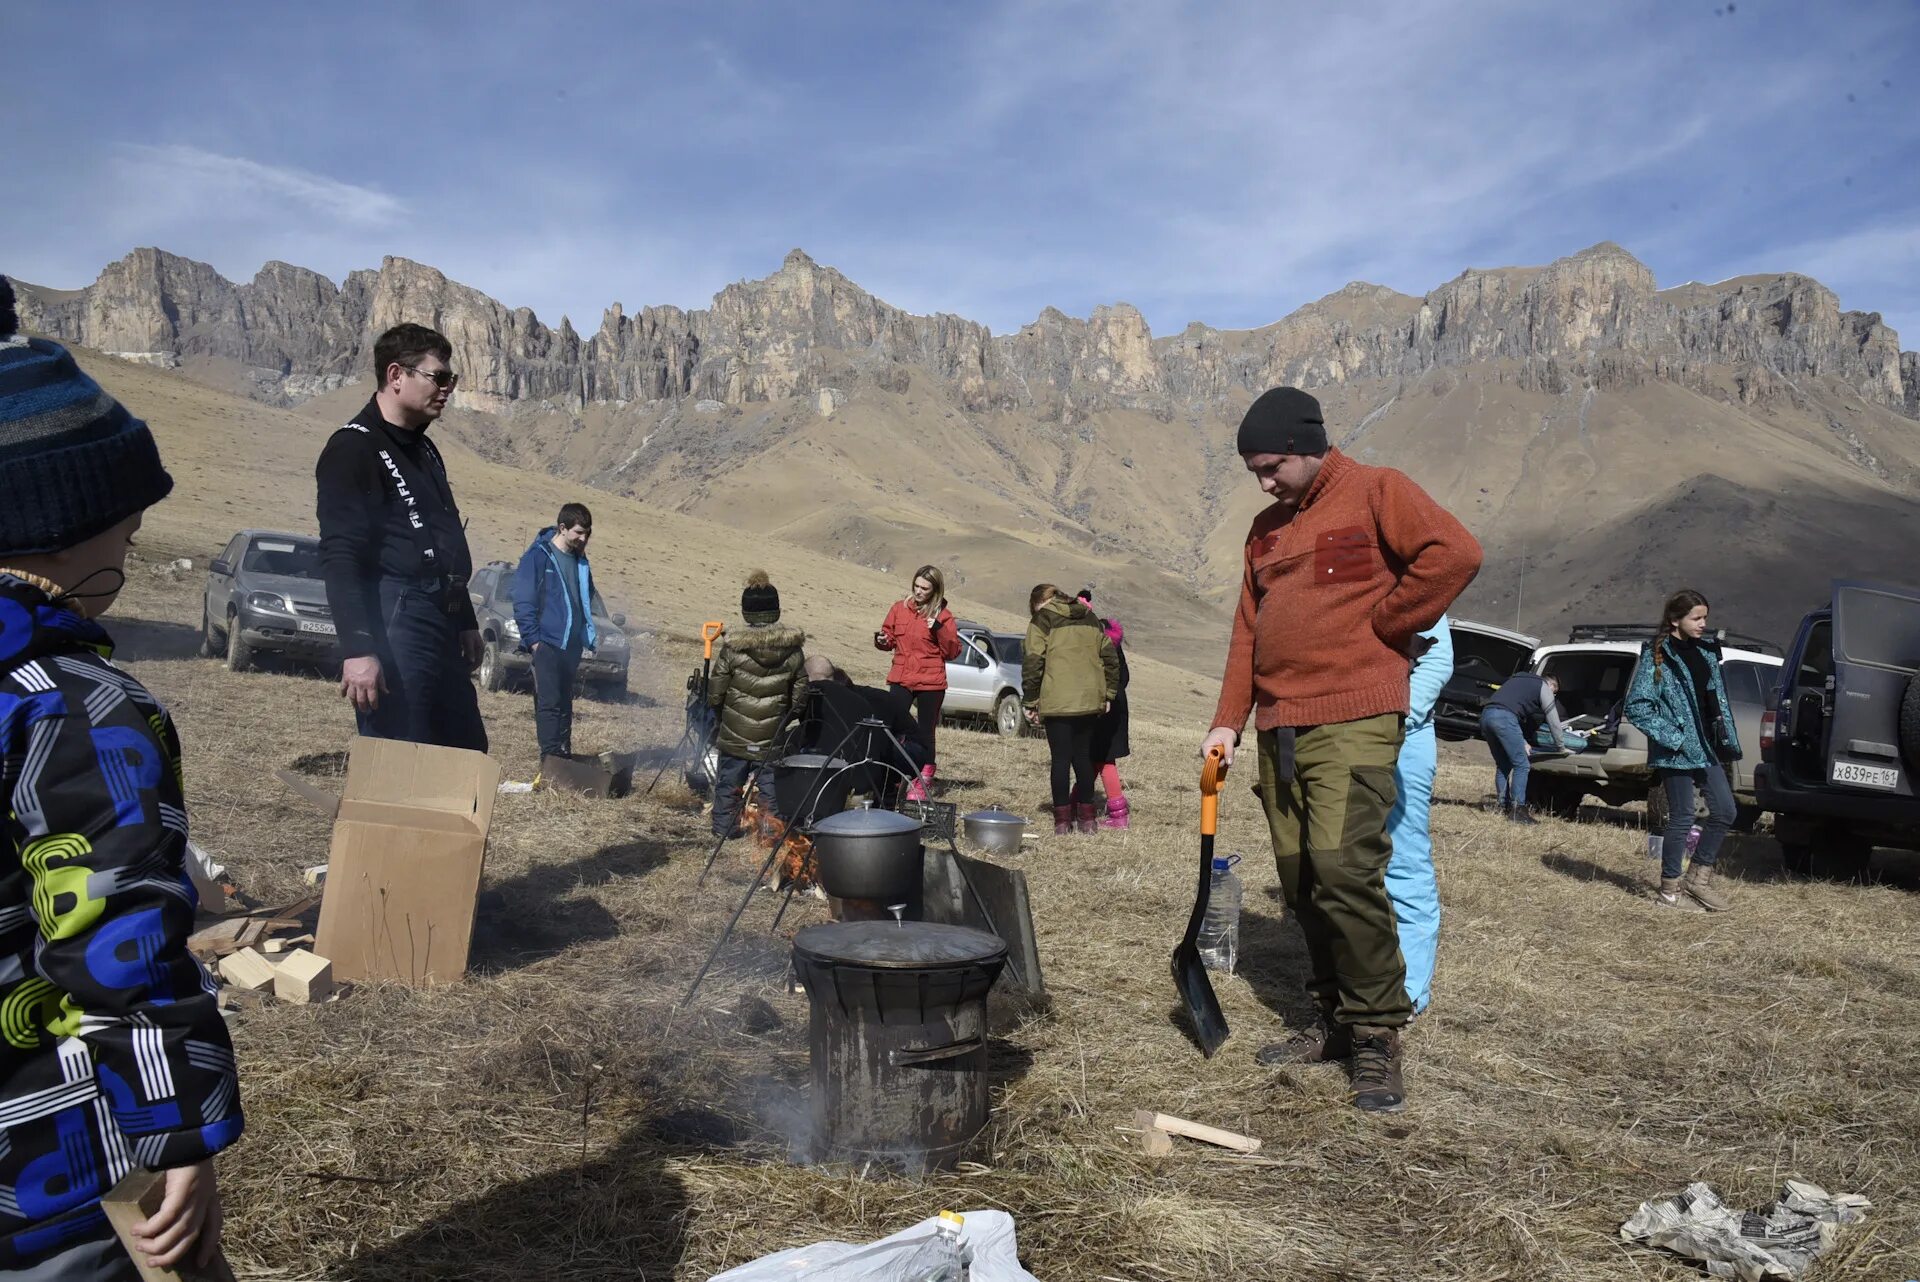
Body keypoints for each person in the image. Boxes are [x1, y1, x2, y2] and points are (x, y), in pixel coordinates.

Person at [0, 288, 243, 1278]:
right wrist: (182, 1132)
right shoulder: (76, 704)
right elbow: (123, 942)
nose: (132, 555)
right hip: (41, 1165)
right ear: (60, 525)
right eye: (126, 536)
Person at [1201, 386, 1481, 1113]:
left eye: (1270, 467)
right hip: (1279, 725)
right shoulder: (1264, 531)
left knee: (1342, 868)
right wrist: (1228, 721)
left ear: (1303, 446)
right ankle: (1331, 1018)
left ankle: (1378, 1034)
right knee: (1300, 880)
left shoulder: (1377, 491)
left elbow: (1456, 553)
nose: (1263, 483)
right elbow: (1246, 631)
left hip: (1353, 718)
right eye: (1253, 471)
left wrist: (1388, 625)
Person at [315, 323, 486, 751]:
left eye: (452, 380)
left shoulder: (425, 450)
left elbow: (439, 543)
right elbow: (341, 556)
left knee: (464, 753)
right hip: (395, 619)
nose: (447, 389)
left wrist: (464, 620)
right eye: (438, 378)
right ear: (396, 376)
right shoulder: (353, 449)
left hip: (440, 618)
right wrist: (357, 649)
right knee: (400, 758)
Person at [1625, 589, 1740, 912]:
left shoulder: (1705, 653)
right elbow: (1638, 706)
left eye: (1705, 617)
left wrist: (1724, 737)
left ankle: (1698, 881)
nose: (1704, 624)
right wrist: (1672, 737)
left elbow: (1714, 702)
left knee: (1726, 811)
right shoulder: (1658, 655)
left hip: (1706, 746)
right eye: (1697, 617)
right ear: (1675, 619)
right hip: (1676, 750)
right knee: (1683, 816)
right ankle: (1669, 892)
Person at [708, 571, 808, 840]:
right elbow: (800, 697)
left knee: (729, 782)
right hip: (772, 736)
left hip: (734, 733)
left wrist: (724, 717)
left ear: (745, 613)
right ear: (776, 611)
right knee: (770, 787)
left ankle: (724, 828)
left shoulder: (732, 649)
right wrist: (785, 720)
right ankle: (769, 832)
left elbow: (715, 692)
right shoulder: (793, 650)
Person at [1385, 618, 1452, 1017]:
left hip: (1402, 736)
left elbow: (1438, 658)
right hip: (1341, 738)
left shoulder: (1408, 568)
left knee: (1403, 859)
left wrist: (1392, 720)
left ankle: (1408, 991)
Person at [1022, 584, 1120, 835]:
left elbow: (1034, 660)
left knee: (1061, 759)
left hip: (1058, 700)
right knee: (1083, 757)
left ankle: (1062, 821)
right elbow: (1110, 657)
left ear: (1037, 604)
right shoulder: (1090, 618)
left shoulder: (1042, 619)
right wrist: (1108, 693)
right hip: (1089, 700)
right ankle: (1087, 818)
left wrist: (1030, 700)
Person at [512, 503, 597, 762]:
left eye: (587, 534)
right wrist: (534, 641)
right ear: (562, 528)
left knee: (564, 703)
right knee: (548, 703)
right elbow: (523, 601)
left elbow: (586, 595)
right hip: (546, 643)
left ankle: (563, 754)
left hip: (570, 645)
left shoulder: (580, 560)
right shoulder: (538, 556)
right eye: (579, 532)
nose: (584, 539)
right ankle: (550, 760)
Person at [873, 565, 960, 801]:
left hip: (931, 682)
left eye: (925, 588)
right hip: (901, 677)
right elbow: (887, 637)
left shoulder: (943, 616)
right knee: (893, 727)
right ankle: (894, 773)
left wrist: (939, 630)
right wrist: (882, 639)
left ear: (935, 590)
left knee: (925, 732)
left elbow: (952, 651)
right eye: (917, 586)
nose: (919, 591)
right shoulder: (899, 609)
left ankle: (924, 779)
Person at [798, 656, 927, 803]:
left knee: (869, 750)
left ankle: (888, 790)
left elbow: (877, 743)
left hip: (909, 748)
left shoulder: (869, 702)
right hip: (888, 742)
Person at [1478, 670, 1572, 824]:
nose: (1553, 696)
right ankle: (1518, 810)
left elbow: (1512, 708)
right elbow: (1553, 720)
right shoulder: (1543, 687)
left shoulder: (1518, 679)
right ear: (1551, 684)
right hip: (1505, 718)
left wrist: (1522, 742)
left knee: (1503, 765)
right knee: (1522, 765)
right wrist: (1560, 746)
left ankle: (1503, 806)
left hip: (1487, 716)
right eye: (1554, 692)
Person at [1077, 591, 1133, 829]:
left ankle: (1118, 813)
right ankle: (1077, 803)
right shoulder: (1115, 645)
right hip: (1117, 707)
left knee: (1101, 761)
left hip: (1099, 708)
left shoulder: (1093, 644)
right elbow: (1125, 676)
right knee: (1093, 760)